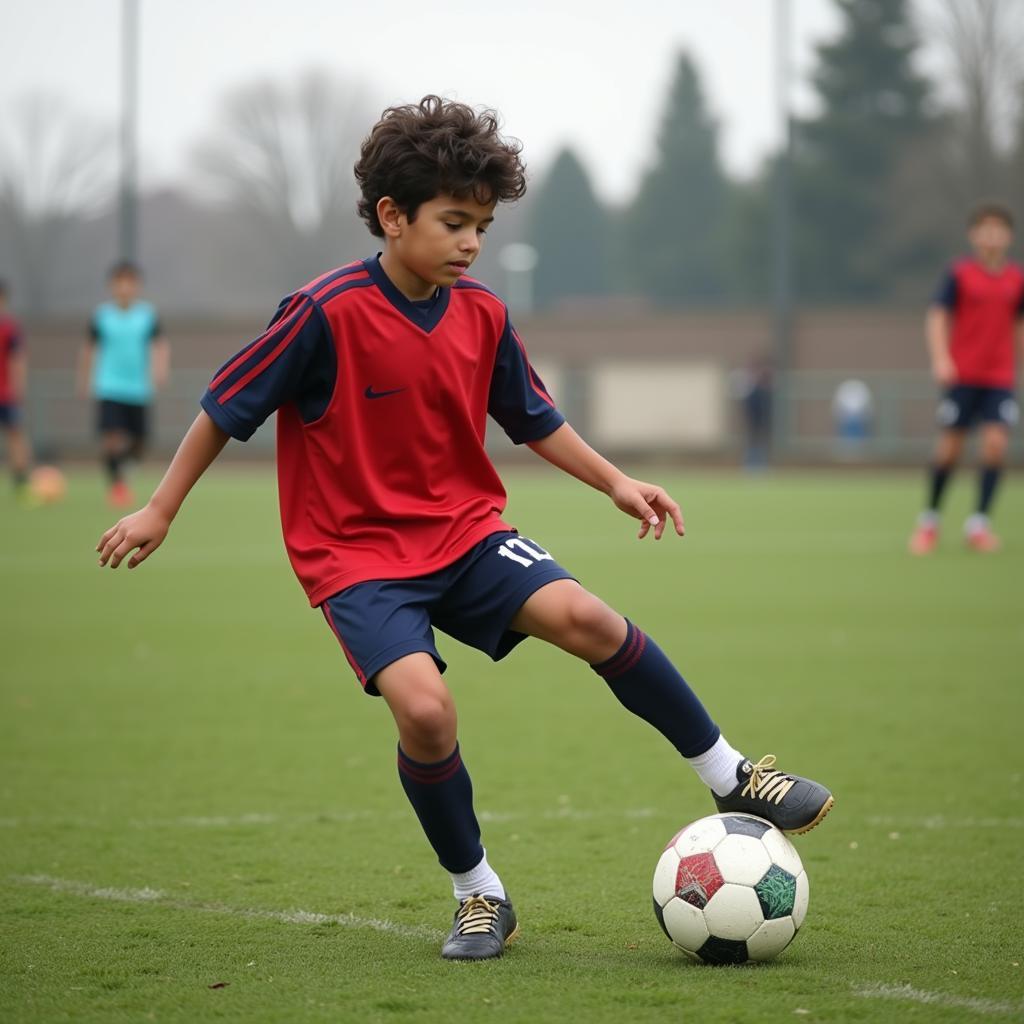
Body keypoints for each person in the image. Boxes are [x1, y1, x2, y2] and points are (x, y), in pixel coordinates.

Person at [96, 97, 833, 961]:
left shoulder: (481, 312)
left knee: (590, 619)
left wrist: (615, 482)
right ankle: (479, 893)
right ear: (392, 215)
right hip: (358, 559)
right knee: (426, 712)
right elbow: (225, 408)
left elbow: (532, 417)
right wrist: (161, 506)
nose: (472, 242)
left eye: (481, 224)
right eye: (454, 222)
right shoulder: (321, 311)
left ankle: (732, 776)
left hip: (466, 533)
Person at [910, 203, 1024, 555]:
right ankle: (929, 522)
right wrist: (941, 358)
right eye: (985, 229)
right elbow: (936, 316)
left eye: (998, 229)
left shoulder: (1016, 279)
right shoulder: (960, 274)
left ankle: (979, 525)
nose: (992, 236)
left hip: (999, 378)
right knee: (949, 450)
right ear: (973, 235)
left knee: (994, 446)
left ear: (1009, 236)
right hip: (962, 375)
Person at [78, 262, 168, 507]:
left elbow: (159, 345)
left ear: (137, 285)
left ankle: (123, 471)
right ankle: (117, 486)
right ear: (112, 286)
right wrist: (84, 379)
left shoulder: (147, 316)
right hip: (109, 386)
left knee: (140, 442)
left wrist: (160, 371)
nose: (124, 287)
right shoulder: (102, 316)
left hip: (139, 388)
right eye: (120, 282)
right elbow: (89, 348)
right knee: (111, 438)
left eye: (129, 282)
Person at [0, 280, 31, 498]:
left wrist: (18, 388)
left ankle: (21, 481)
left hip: (5, 393)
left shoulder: (10, 328)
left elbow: (18, 360)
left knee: (16, 435)